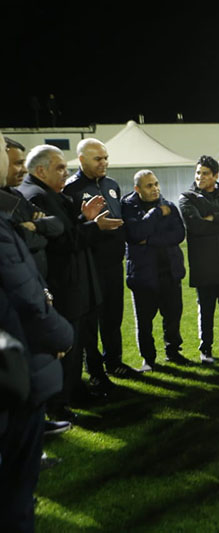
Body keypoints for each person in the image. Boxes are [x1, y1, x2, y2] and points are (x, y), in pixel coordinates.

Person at [0, 132, 72, 532]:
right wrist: (59, 335)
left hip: (21, 360)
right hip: (17, 361)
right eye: (9, 157)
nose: (17, 167)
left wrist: (35, 228)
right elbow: (26, 297)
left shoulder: (13, 202)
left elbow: (57, 228)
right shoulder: (14, 209)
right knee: (15, 491)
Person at [18, 145, 119, 420]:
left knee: (77, 344)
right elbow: (60, 242)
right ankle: (59, 405)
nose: (66, 172)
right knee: (64, 347)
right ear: (41, 171)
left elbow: (67, 230)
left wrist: (84, 218)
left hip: (75, 284)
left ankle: (74, 392)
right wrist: (94, 226)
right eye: (60, 167)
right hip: (63, 286)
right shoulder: (36, 196)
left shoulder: (49, 194)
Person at [63, 139, 135, 378]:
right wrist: (93, 225)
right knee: (90, 321)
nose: (104, 163)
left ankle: (114, 362)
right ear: (81, 159)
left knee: (113, 316)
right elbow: (71, 231)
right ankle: (95, 371)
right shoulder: (70, 189)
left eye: (105, 158)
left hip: (114, 264)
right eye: (98, 159)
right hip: (89, 266)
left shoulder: (112, 184)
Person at [179, 155, 219, 364]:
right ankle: (205, 350)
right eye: (198, 173)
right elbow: (197, 226)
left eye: (205, 173)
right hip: (204, 265)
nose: (200, 177)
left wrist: (214, 217)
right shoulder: (187, 198)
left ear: (215, 176)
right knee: (206, 311)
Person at [121, 170, 187, 372]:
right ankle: (148, 359)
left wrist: (149, 240)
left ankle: (173, 352)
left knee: (173, 316)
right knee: (144, 322)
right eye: (149, 185)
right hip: (143, 275)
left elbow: (178, 234)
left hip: (169, 272)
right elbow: (135, 234)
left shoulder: (170, 206)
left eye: (156, 184)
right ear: (137, 189)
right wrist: (156, 214)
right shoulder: (128, 207)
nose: (155, 188)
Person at [1, 138, 64, 278]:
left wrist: (35, 225)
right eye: (18, 163)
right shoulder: (30, 195)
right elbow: (20, 241)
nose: (24, 170)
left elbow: (57, 225)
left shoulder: (15, 194)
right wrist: (43, 234)